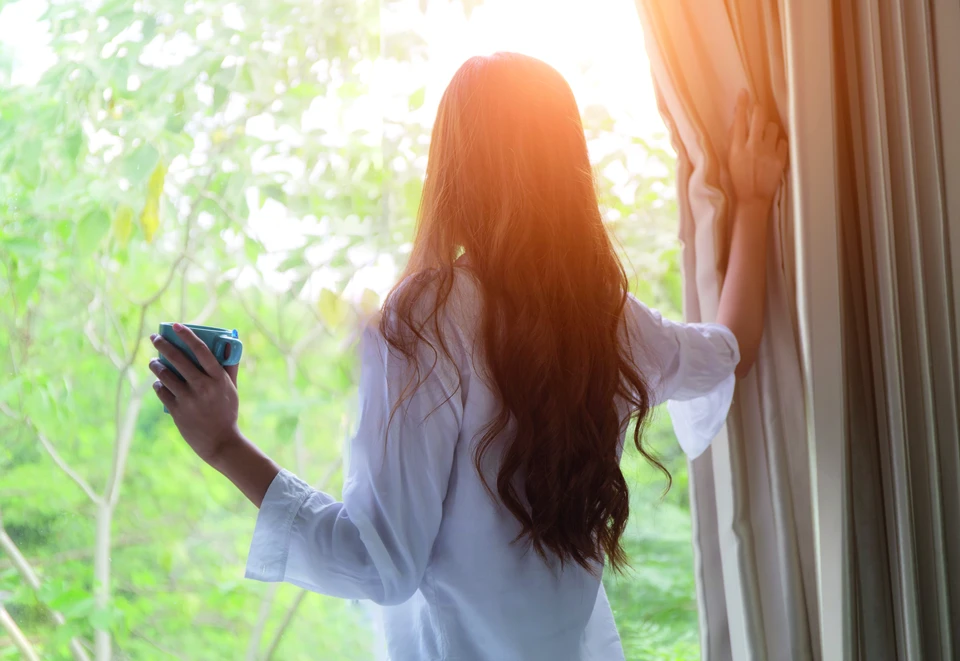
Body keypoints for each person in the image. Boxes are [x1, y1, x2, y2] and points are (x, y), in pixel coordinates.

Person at [147, 53, 787, 661]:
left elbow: (381, 564)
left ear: (451, 167)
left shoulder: (424, 320)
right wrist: (756, 202)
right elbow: (733, 349)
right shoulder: (611, 321)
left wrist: (223, 445)